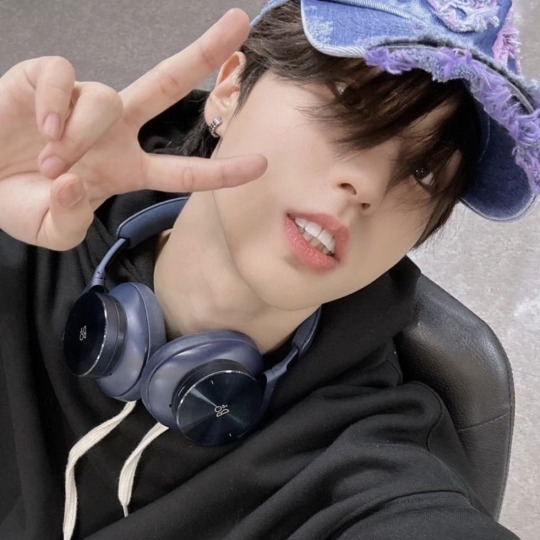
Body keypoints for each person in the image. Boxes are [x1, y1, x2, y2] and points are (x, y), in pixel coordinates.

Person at [0, 0, 538, 538]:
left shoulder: (370, 468)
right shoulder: (26, 234)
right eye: (350, 101)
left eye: (423, 172)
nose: (370, 186)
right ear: (232, 89)